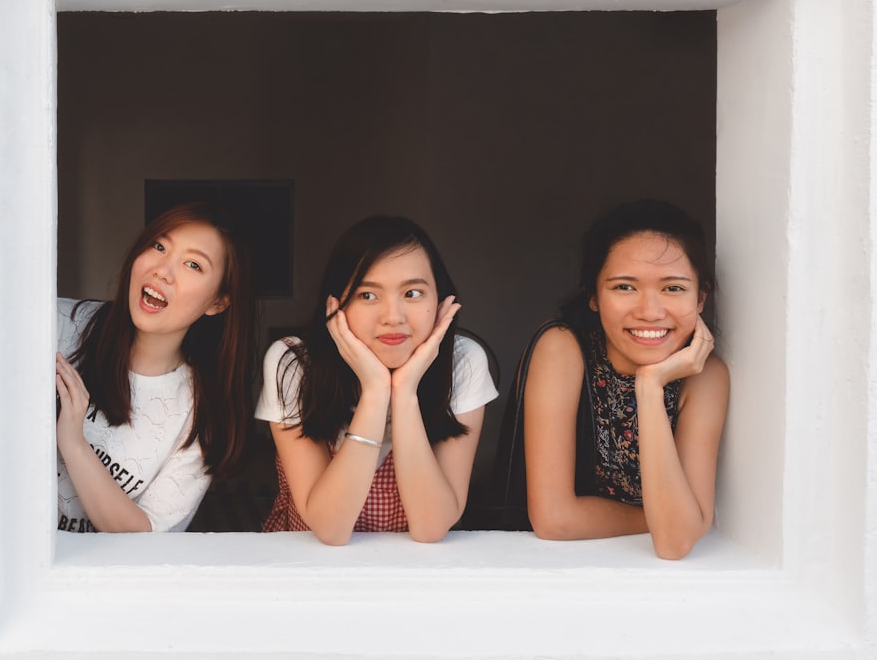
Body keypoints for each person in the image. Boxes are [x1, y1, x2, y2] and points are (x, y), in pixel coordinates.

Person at [257, 216, 498, 544]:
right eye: (367, 295)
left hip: (414, 572)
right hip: (307, 569)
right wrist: (374, 391)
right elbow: (330, 528)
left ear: (440, 302)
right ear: (336, 306)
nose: (393, 317)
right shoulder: (294, 364)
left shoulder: (463, 362)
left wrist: (405, 392)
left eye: (413, 293)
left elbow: (431, 527)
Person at [523, 199, 729, 558]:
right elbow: (554, 519)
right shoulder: (563, 349)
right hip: (559, 571)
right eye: (624, 287)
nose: (650, 312)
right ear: (593, 297)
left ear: (701, 298)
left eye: (673, 288)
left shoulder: (705, 376)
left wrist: (649, 388)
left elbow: (674, 544)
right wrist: (670, 518)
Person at [55, 201, 257, 533]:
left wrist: (73, 443)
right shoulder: (61, 325)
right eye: (159, 246)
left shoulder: (199, 416)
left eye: (193, 264)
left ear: (218, 302)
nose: (163, 270)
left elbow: (145, 536)